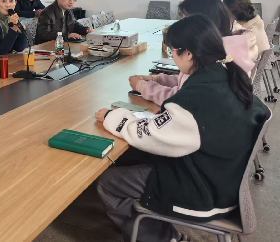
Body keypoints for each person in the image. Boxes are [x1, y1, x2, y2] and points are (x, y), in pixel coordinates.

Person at [95, 14, 267, 242]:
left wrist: (112, 117)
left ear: (188, 54)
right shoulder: (226, 75)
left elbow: (147, 134)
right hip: (222, 175)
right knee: (131, 158)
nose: (172, 56)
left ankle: (164, 238)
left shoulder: (195, 99)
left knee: (109, 182)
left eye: (173, 51)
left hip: (205, 191)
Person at [130, 0, 255, 105]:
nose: (183, 23)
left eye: (186, 18)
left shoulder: (214, 59)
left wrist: (143, 87)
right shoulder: (220, 47)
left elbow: (182, 99)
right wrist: (157, 79)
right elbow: (188, 83)